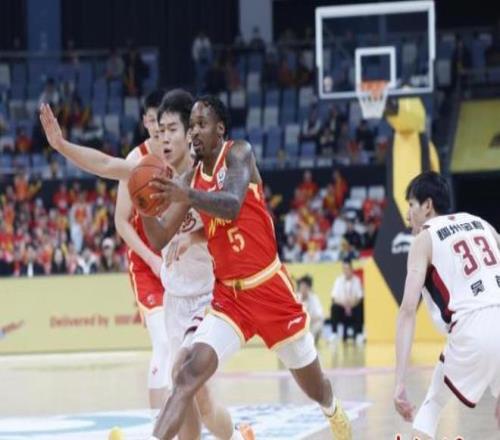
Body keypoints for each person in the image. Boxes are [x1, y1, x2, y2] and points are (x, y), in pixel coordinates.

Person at [39, 92, 253, 440]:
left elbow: (236, 217)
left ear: (190, 133)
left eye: (171, 130)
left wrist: (195, 237)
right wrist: (61, 145)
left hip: (212, 296)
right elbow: (106, 164)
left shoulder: (208, 171)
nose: (163, 137)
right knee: (199, 400)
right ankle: (238, 436)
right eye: (159, 129)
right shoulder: (153, 171)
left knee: (180, 372)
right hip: (176, 297)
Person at [147, 95, 352, 440]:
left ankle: (332, 408)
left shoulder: (238, 153)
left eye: (201, 124)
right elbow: (159, 237)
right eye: (191, 125)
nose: (194, 132)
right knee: (185, 374)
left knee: (315, 387)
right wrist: (143, 205)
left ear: (220, 129)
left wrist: (187, 196)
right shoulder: (188, 179)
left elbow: (230, 204)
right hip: (230, 299)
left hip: (269, 289)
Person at [394, 171, 500, 439]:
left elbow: (407, 311)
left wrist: (400, 382)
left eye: (411, 204)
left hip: (473, 329)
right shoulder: (481, 223)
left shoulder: (424, 238)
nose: (408, 214)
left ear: (427, 205)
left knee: (432, 404)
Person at [330, 260, 364, 343]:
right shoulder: (338, 280)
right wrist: (343, 303)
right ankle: (334, 333)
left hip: (353, 307)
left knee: (360, 306)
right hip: (342, 307)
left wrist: (352, 303)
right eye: (344, 269)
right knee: (334, 307)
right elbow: (334, 297)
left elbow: (360, 297)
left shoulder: (357, 280)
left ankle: (359, 334)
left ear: (351, 269)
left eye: (347, 268)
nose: (346, 271)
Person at [296, 275, 324, 345]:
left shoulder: (314, 298)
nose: (303, 289)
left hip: (311, 324)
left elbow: (320, 315)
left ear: (309, 288)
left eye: (305, 287)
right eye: (301, 287)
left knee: (319, 324)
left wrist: (309, 318)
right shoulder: (296, 298)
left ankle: (313, 339)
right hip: (299, 325)